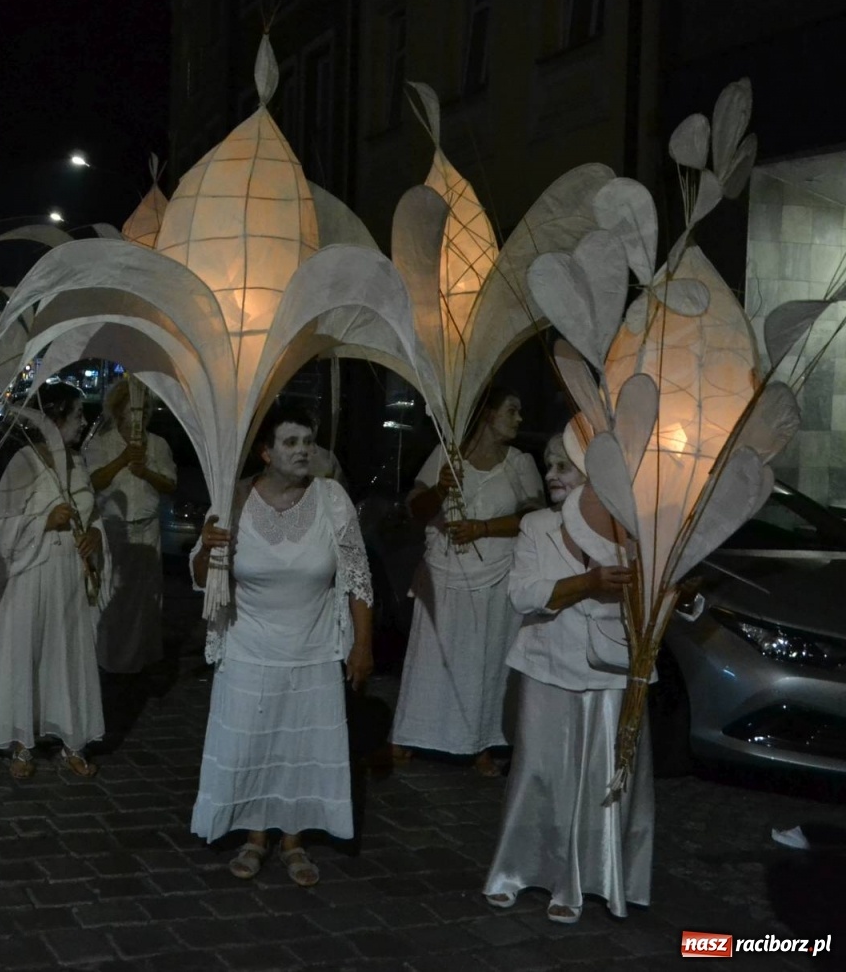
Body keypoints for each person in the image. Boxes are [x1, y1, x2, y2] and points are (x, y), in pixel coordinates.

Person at [189, 404, 374, 886]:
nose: (303, 451)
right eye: (290, 442)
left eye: (308, 442)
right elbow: (200, 579)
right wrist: (208, 549)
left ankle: (292, 839)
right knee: (253, 745)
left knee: (299, 744)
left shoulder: (333, 500)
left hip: (312, 650)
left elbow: (357, 579)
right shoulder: (231, 500)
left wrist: (362, 646)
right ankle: (255, 835)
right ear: (266, 452)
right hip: (250, 648)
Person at [484, 432, 652, 925]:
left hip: (613, 670)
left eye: (564, 466)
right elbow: (523, 592)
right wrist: (588, 583)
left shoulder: (630, 528)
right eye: (548, 465)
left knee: (604, 779)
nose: (552, 475)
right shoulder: (537, 525)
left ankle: (589, 879)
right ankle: (518, 870)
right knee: (539, 770)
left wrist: (677, 593)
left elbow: (659, 598)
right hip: (546, 664)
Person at [389, 388, 544, 775]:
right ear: (488, 413)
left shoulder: (520, 463)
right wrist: (442, 488)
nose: (519, 418)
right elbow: (417, 510)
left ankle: (481, 743)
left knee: (486, 658)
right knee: (433, 656)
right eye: (512, 409)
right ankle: (414, 732)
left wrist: (483, 527)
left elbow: (535, 519)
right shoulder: (447, 454)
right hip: (446, 574)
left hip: (495, 576)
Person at [0, 382, 107, 779]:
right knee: (26, 653)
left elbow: (92, 513)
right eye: (78, 415)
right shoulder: (24, 463)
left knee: (67, 655)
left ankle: (72, 739)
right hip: (31, 574)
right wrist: (44, 522)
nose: (84, 424)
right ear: (53, 419)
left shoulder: (78, 463)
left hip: (68, 576)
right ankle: (21, 744)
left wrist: (95, 535)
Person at [84, 378, 176, 675]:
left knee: (144, 600)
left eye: (145, 407)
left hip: (147, 530)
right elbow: (93, 482)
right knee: (113, 596)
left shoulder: (158, 444)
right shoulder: (101, 443)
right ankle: (109, 658)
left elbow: (170, 484)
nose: (140, 413)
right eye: (134, 407)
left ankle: (140, 660)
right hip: (114, 529)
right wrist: (123, 460)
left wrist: (145, 471)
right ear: (118, 408)